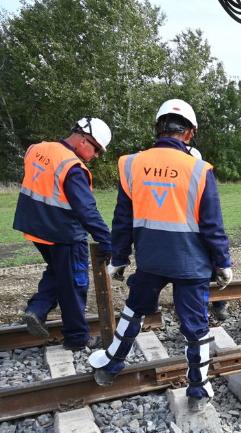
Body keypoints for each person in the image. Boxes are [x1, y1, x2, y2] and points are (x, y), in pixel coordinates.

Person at [89, 99, 233, 413]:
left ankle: (111, 365)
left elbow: (122, 218)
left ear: (159, 127)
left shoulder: (131, 164)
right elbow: (212, 224)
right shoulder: (199, 169)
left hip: (151, 260)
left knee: (133, 312)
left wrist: (119, 257)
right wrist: (223, 263)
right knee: (195, 326)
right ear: (190, 133)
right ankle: (198, 387)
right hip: (191, 264)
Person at [13, 118, 113, 350]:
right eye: (95, 148)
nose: (96, 155)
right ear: (81, 138)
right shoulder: (72, 167)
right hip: (64, 234)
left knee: (59, 273)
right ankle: (77, 339)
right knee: (75, 283)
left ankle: (36, 309)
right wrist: (107, 241)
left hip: (36, 229)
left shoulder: (36, 149)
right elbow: (87, 211)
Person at [187, 146, 229, 321]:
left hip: (194, 240)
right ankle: (213, 307)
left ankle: (217, 305)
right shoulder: (199, 176)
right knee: (205, 272)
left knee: (211, 269)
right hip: (193, 240)